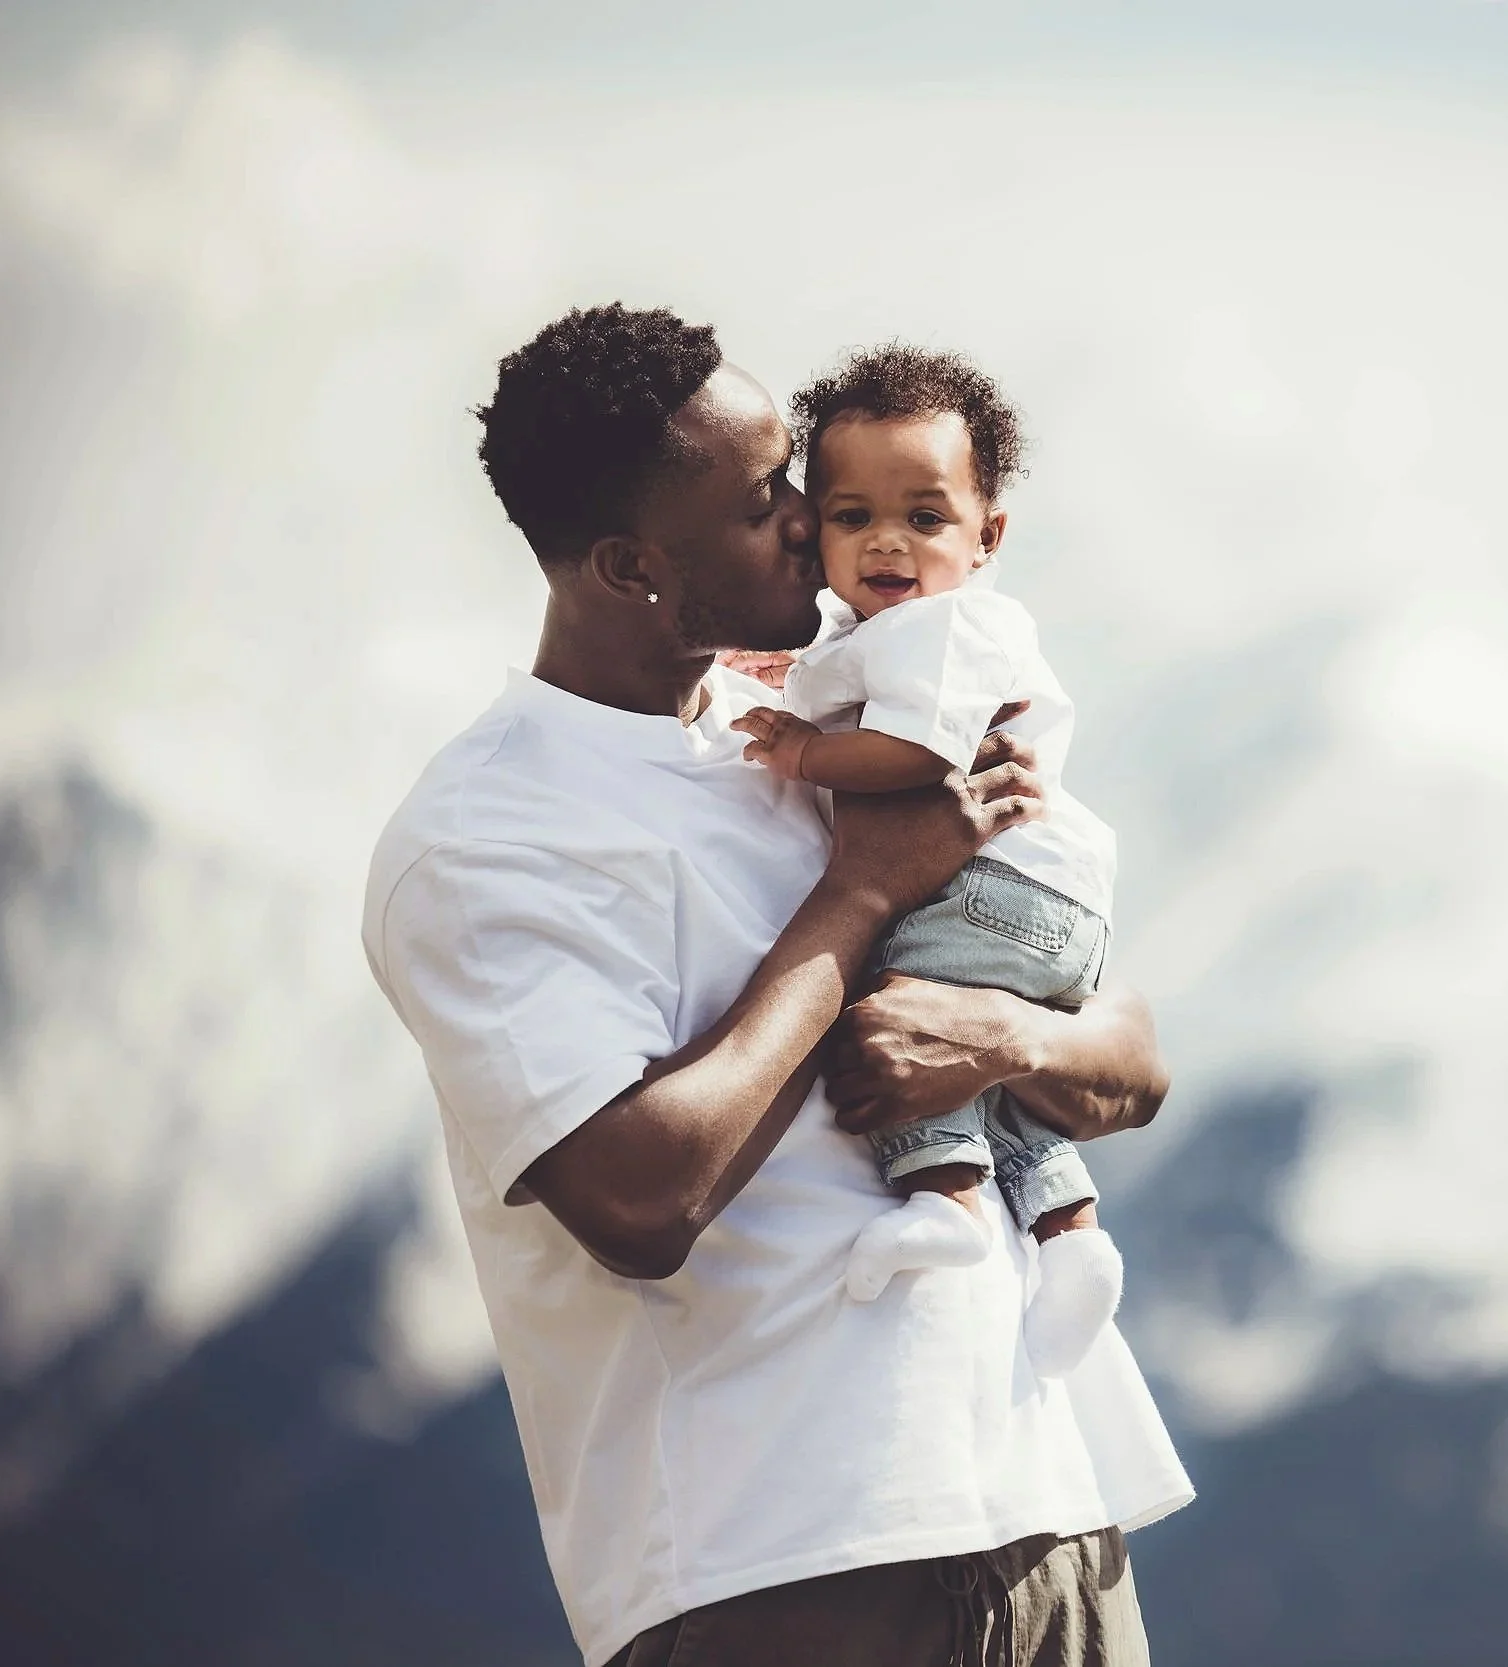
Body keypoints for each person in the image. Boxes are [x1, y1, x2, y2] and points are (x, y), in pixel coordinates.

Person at [360, 303, 1191, 1667]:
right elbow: (639, 1194)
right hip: (786, 1574)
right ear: (633, 565)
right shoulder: (485, 837)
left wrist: (992, 1031)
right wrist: (861, 896)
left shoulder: (859, 718)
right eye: (763, 505)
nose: (814, 520)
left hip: (1053, 1518)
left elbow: (1132, 1050)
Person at [729, 344, 1122, 1381]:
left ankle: (945, 1203)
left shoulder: (953, 629)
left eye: (926, 517)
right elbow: (844, 677)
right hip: (1049, 903)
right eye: (853, 517)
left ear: (987, 535)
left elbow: (917, 751)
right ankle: (1069, 1229)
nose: (887, 542)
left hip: (995, 888)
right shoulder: (894, 633)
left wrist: (805, 751)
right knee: (985, 1082)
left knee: (899, 1012)